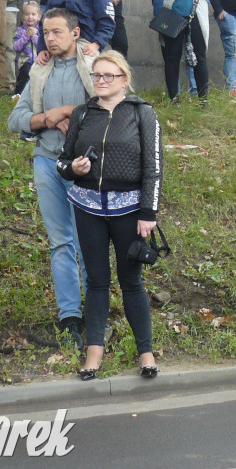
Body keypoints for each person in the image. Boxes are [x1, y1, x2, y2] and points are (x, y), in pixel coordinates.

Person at [56, 52, 162, 380]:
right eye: (96, 76)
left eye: (108, 76)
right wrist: (73, 168)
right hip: (87, 207)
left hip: (130, 211)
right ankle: (94, 352)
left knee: (132, 282)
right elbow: (62, 161)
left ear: (124, 80)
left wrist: (149, 212)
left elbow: (154, 166)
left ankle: (145, 352)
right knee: (97, 281)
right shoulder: (82, 113)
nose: (100, 81)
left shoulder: (142, 112)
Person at [7, 8, 92, 349]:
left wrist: (70, 112)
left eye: (57, 31)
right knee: (60, 243)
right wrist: (47, 118)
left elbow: (115, 105)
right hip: (46, 163)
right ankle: (69, 318)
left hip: (86, 167)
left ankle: (97, 313)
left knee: (89, 244)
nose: (50, 38)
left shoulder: (94, 65)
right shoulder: (40, 70)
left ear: (76, 32)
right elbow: (16, 119)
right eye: (46, 32)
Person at [12, 0, 41, 95]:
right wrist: (26, 36)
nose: (30, 17)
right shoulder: (19, 31)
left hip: (39, 62)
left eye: (33, 14)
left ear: (39, 16)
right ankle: (17, 94)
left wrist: (34, 36)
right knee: (25, 72)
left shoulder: (41, 31)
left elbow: (42, 45)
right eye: (27, 14)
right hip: (25, 62)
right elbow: (16, 47)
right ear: (23, 16)